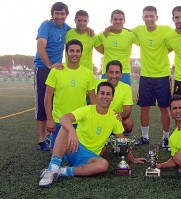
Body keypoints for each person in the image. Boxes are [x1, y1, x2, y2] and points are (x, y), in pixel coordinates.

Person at [38, 82, 146, 188]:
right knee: (65, 128)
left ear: (112, 97)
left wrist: (133, 159)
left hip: (90, 157)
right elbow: (64, 118)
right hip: (73, 148)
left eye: (108, 94)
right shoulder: (87, 110)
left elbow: (122, 141)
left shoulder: (114, 117)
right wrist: (72, 131)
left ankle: (62, 171)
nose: (105, 97)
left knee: (103, 165)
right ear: (97, 95)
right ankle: (52, 168)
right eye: (102, 93)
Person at [131, 6, 173, 148]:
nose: (149, 19)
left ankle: (166, 138)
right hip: (146, 76)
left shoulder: (166, 30)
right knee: (144, 107)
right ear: (143, 18)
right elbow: (124, 31)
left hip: (162, 75)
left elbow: (178, 36)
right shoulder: (138, 30)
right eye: (146, 16)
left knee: (164, 108)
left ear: (156, 17)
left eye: (151, 16)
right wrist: (109, 29)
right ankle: (145, 137)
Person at [45, 39, 97, 152]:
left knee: (76, 152)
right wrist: (49, 119)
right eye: (71, 51)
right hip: (59, 121)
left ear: (81, 53)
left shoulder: (88, 73)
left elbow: (93, 98)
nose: (74, 54)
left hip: (80, 121)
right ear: (67, 53)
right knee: (55, 153)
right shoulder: (56, 71)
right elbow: (48, 97)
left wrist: (97, 117)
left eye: (77, 51)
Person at [34, 2, 71, 151]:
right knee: (43, 103)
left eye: (62, 14)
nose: (60, 16)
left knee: (55, 103)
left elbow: (78, 31)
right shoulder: (45, 26)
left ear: (66, 15)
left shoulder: (65, 27)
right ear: (52, 14)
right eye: (57, 13)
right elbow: (41, 47)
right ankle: (41, 140)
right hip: (43, 68)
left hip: (58, 69)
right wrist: (49, 65)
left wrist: (88, 28)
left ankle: (52, 136)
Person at [98, 9, 137, 85]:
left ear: (124, 21)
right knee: (104, 97)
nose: (118, 22)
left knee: (125, 97)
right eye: (115, 19)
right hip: (107, 73)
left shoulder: (131, 35)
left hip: (124, 73)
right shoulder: (103, 35)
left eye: (121, 19)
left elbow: (143, 37)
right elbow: (94, 43)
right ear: (111, 21)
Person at [95, 60, 134, 135]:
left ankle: (115, 133)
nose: (114, 76)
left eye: (117, 72)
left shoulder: (126, 88)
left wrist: (119, 115)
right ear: (106, 73)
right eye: (111, 72)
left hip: (115, 118)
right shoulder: (97, 84)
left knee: (128, 123)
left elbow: (127, 111)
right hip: (99, 117)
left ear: (121, 74)